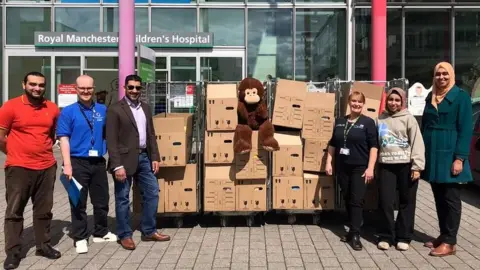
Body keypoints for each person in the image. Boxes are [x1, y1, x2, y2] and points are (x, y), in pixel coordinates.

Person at [0, 72, 61, 269]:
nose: (37, 88)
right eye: (32, 84)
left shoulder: (51, 108)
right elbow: (1, 136)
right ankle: (13, 252)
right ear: (24, 84)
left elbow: (51, 135)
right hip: (18, 168)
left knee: (44, 210)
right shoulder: (10, 106)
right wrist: (15, 154)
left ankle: (43, 245)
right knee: (14, 211)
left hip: (46, 166)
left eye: (41, 85)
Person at [106, 74, 170, 251]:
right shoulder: (115, 109)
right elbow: (111, 140)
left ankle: (149, 230)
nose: (134, 90)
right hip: (123, 160)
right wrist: (116, 165)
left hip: (144, 158)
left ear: (142, 89)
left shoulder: (146, 108)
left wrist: (155, 157)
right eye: (131, 87)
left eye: (137, 87)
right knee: (123, 198)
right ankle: (125, 235)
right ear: (125, 88)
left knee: (152, 193)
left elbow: (151, 135)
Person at [56, 75, 117, 254]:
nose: (85, 91)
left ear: (94, 88)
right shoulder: (68, 112)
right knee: (78, 201)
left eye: (89, 88)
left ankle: (101, 232)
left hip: (98, 162)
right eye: (82, 88)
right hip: (77, 162)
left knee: (101, 200)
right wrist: (67, 164)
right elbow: (64, 139)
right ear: (76, 89)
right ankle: (80, 237)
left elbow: (108, 133)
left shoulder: (102, 109)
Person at [421, 62, 473, 257]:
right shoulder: (431, 96)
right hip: (433, 155)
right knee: (439, 198)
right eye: (437, 74)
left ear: (451, 75)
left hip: (450, 155)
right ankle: (443, 235)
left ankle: (451, 242)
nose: (441, 77)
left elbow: (466, 130)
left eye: (445, 74)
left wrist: (460, 158)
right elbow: (425, 123)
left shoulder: (461, 97)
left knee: (451, 199)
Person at [325, 91, 378, 251]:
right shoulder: (340, 121)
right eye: (353, 101)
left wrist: (370, 168)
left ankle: (355, 234)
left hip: (360, 168)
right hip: (343, 167)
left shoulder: (368, 122)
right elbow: (333, 143)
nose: (356, 104)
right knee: (348, 198)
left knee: (356, 200)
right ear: (349, 102)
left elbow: (374, 147)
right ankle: (351, 229)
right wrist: (329, 162)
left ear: (363, 104)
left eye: (359, 102)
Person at [376, 88, 425, 251]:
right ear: (387, 100)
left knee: (407, 202)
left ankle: (403, 236)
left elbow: (417, 142)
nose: (394, 103)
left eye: (397, 100)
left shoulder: (409, 119)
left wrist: (417, 166)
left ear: (402, 102)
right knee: (385, 201)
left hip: (406, 166)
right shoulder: (380, 119)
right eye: (391, 99)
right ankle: (386, 236)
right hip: (386, 165)